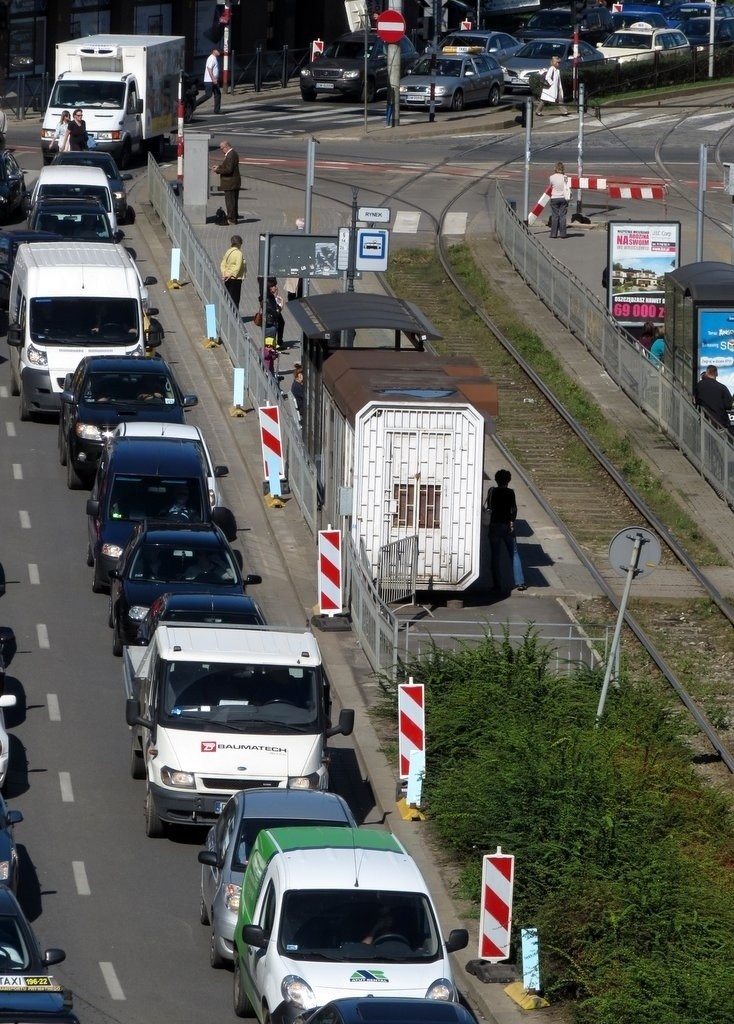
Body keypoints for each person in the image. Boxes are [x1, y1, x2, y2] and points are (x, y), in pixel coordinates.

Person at [486, 469, 527, 596]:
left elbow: (489, 505)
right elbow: (513, 509)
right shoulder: (510, 493)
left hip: (493, 525)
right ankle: (520, 582)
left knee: (495, 556)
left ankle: (497, 585)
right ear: (508, 480)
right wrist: (512, 522)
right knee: (514, 553)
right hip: (507, 526)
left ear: (496, 479)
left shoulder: (492, 491)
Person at [693, 364, 733, 431]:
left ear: (707, 372)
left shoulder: (699, 386)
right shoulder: (722, 388)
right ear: (716, 374)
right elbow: (728, 406)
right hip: (720, 423)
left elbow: (696, 400)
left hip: (704, 420)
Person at [211, 139, 241, 226]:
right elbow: (227, 166)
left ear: (227, 146)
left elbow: (228, 169)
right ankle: (234, 218)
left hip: (230, 183)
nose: (221, 150)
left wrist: (218, 170)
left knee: (230, 202)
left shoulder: (231, 155)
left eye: (222, 148)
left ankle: (231, 220)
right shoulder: (231, 154)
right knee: (233, 201)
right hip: (233, 182)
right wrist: (219, 166)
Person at [220, 234, 246, 309]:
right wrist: (231, 274)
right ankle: (235, 317)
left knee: (228, 297)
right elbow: (237, 267)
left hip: (227, 278)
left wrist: (224, 273)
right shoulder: (239, 253)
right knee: (235, 299)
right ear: (239, 243)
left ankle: (229, 315)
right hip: (236, 279)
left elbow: (222, 263)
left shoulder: (228, 251)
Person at [548, 161, 569, 240]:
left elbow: (551, 186)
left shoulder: (551, 177)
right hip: (563, 198)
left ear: (555, 168)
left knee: (555, 216)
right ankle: (563, 234)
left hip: (554, 198)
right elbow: (567, 187)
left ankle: (553, 234)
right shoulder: (565, 177)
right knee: (563, 216)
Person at [264, 277, 285, 348]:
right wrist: (282, 303)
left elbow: (277, 309)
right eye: (274, 286)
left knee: (271, 347)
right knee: (269, 347)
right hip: (269, 325)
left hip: (272, 324)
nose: (276, 288)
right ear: (269, 288)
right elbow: (276, 312)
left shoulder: (271, 297)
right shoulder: (267, 300)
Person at [200, 48, 221, 113]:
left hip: (213, 81)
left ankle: (216, 110)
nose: (220, 52)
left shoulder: (214, 58)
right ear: (214, 51)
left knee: (218, 94)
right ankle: (194, 104)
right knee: (208, 95)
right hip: (209, 81)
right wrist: (213, 79)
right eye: (218, 51)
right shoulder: (211, 58)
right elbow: (209, 69)